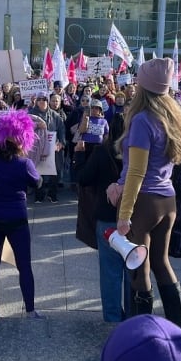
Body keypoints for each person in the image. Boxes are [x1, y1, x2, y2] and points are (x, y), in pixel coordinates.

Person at [106, 58, 181, 329]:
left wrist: (125, 214)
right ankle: (179, 328)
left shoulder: (143, 121)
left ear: (143, 87)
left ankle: (142, 332)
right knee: (161, 262)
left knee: (139, 269)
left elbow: (136, 173)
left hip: (145, 202)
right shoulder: (173, 116)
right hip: (168, 201)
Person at [0, 109, 44, 318]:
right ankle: (30, 310)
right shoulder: (23, 163)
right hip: (16, 217)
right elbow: (37, 182)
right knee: (24, 265)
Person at [75, 114, 130, 322]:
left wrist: (79, 156)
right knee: (132, 270)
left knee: (110, 272)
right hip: (135, 218)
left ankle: (113, 320)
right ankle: (134, 316)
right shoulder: (138, 152)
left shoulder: (101, 152)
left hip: (107, 219)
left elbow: (84, 178)